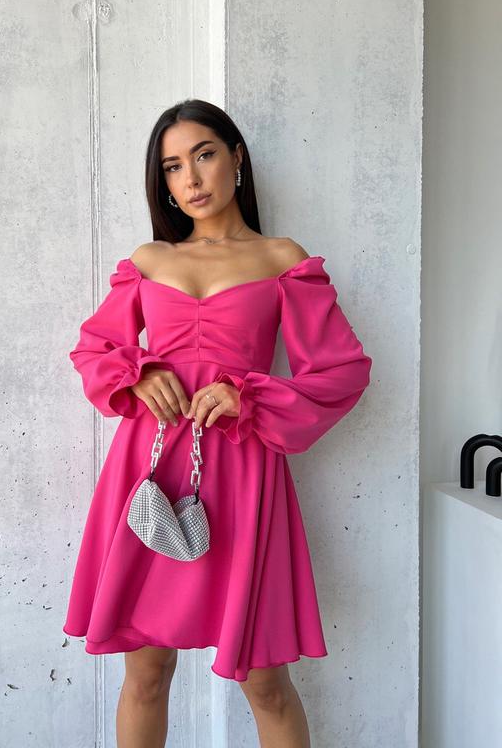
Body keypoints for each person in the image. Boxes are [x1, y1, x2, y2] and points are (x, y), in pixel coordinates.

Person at [63, 99, 372, 748]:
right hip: (149, 471)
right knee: (146, 675)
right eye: (173, 167)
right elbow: (94, 350)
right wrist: (137, 373)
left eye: (203, 155)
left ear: (236, 157)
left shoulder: (282, 258)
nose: (192, 178)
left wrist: (248, 397)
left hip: (242, 473)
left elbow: (340, 372)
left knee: (266, 684)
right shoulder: (149, 261)